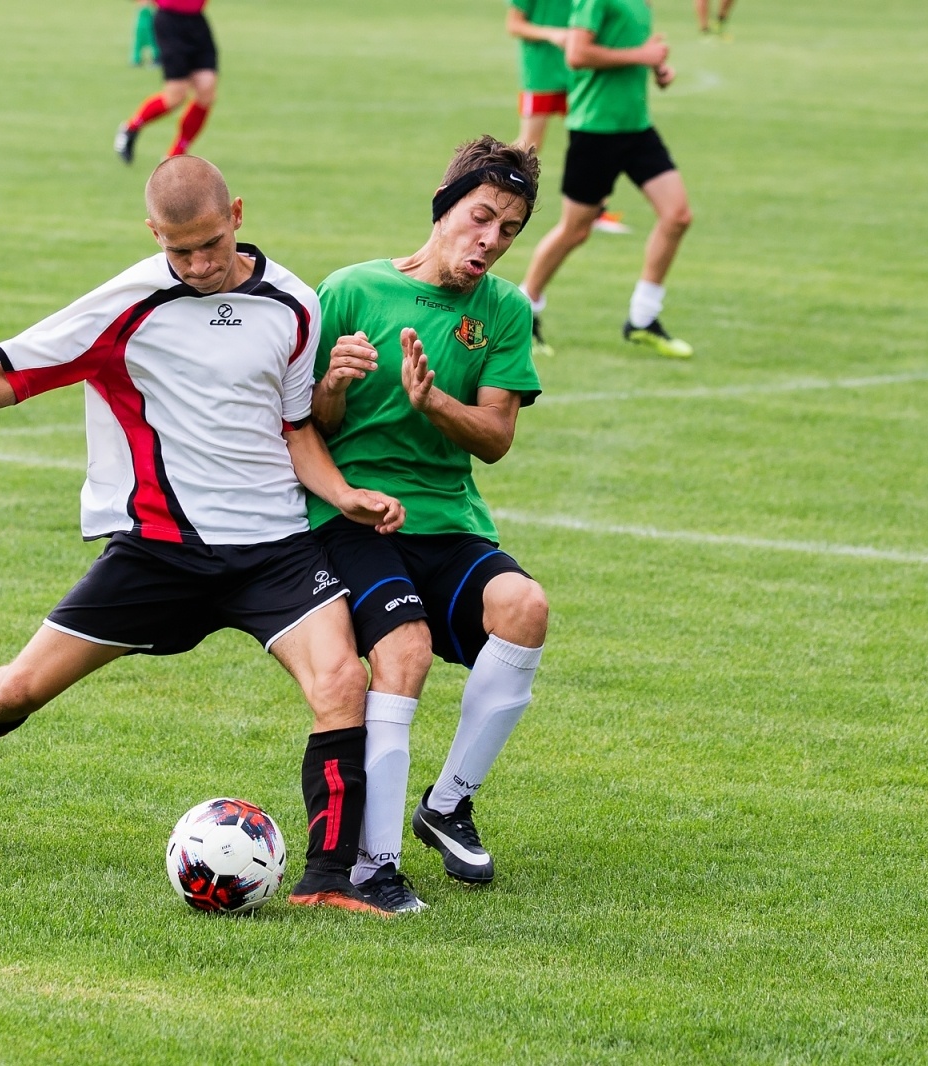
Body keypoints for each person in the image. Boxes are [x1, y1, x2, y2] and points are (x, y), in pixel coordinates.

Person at [0, 156, 411, 916]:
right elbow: (11, 374)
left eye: (211, 243)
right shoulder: (128, 303)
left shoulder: (295, 305)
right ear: (154, 235)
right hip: (158, 551)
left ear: (237, 214)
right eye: (181, 250)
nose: (200, 264)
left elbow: (297, 428)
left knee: (342, 682)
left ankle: (327, 881)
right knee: (17, 688)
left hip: (275, 550)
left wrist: (343, 495)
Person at [309, 136, 550, 912]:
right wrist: (335, 385)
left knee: (526, 607)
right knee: (404, 651)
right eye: (481, 217)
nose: (491, 240)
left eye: (509, 229)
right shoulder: (349, 290)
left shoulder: (506, 311)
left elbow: (498, 438)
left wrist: (433, 401)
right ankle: (372, 865)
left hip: (447, 520)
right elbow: (300, 422)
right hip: (352, 517)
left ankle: (446, 805)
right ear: (444, 209)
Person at [519, 0, 695, 359]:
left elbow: (630, 52)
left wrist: (657, 68)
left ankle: (643, 320)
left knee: (677, 216)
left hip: (637, 128)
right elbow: (577, 54)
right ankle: (525, 311)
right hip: (595, 131)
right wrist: (641, 56)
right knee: (575, 230)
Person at [504, 0, 629, 242]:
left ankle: (595, 211)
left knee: (591, 137)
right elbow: (514, 25)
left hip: (580, 73)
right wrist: (551, 33)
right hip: (540, 71)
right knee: (531, 143)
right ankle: (489, 185)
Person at [114, 0, 218, 164]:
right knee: (176, 96)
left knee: (206, 90)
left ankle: (175, 154)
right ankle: (131, 128)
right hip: (170, 23)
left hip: (197, 22)